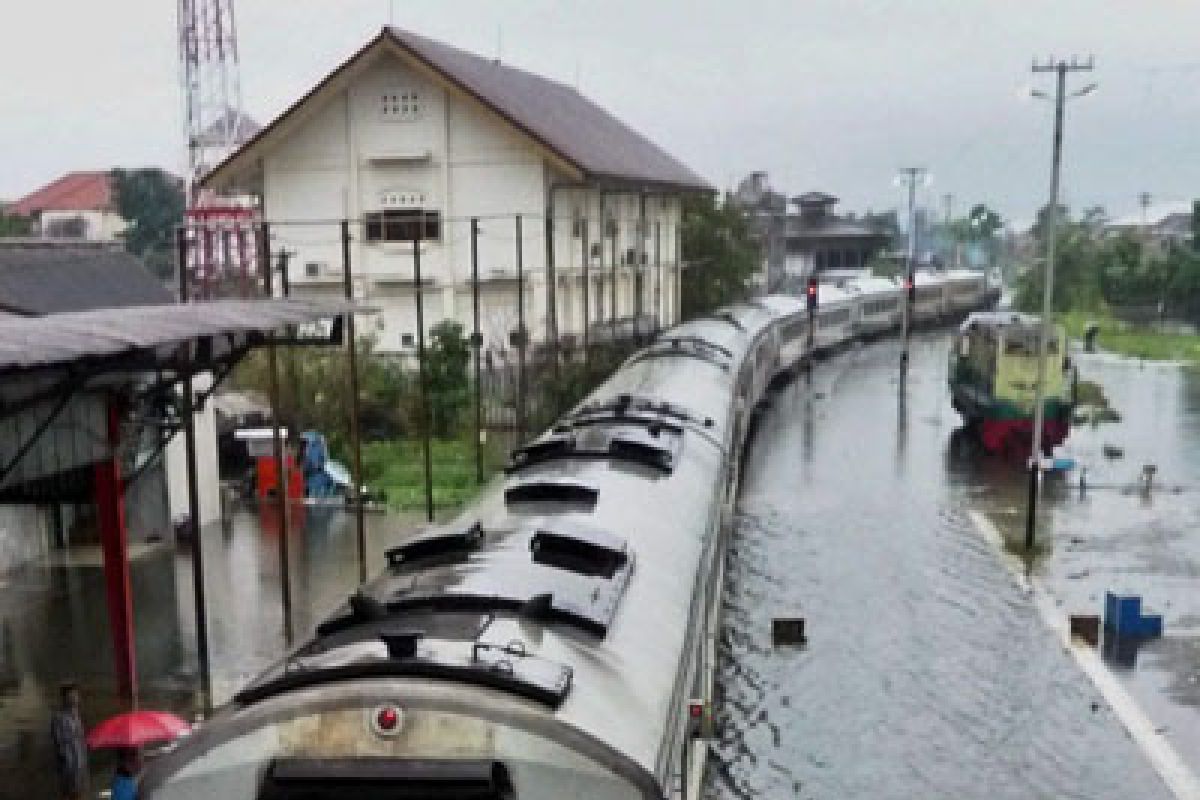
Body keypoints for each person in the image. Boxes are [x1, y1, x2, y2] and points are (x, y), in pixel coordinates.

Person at [49, 682, 89, 800]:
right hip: (70, 766)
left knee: (80, 793)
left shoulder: (76, 714)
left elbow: (80, 738)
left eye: (76, 694)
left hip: (81, 762)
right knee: (70, 794)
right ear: (64, 698)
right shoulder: (58, 717)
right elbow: (60, 744)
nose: (76, 698)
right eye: (72, 695)